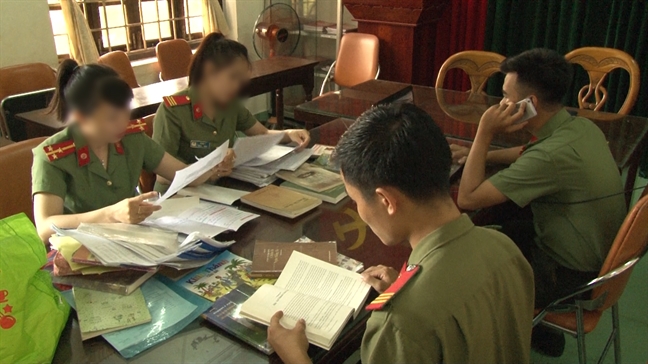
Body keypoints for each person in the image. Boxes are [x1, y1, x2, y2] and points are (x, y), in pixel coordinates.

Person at [267, 104, 535, 364]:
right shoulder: (505, 248)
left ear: (386, 201)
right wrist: (404, 290)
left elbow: (422, 317)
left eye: (356, 200)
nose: (359, 211)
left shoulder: (400, 324)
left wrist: (296, 357)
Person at [454, 48, 626, 355]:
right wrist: (476, 157)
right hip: (598, 261)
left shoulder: (550, 157)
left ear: (529, 104)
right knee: (502, 227)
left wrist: (484, 133)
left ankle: (488, 344)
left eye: (506, 97)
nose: (501, 104)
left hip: (569, 277)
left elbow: (467, 198)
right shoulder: (580, 126)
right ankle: (540, 332)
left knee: (463, 259)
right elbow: (528, 156)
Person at [32, 59, 216, 244]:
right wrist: (111, 215)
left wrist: (213, 166)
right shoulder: (53, 155)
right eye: (112, 117)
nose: (123, 123)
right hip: (83, 247)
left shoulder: (131, 138)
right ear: (81, 117)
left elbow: (182, 174)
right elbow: (45, 228)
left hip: (134, 240)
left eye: (126, 111)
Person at [152, 32, 310, 192]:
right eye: (232, 77)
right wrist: (210, 168)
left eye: (240, 81)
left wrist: (288, 134)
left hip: (218, 192)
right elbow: (163, 176)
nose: (236, 86)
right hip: (178, 200)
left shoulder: (229, 103)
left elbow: (261, 133)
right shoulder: (173, 110)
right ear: (209, 70)